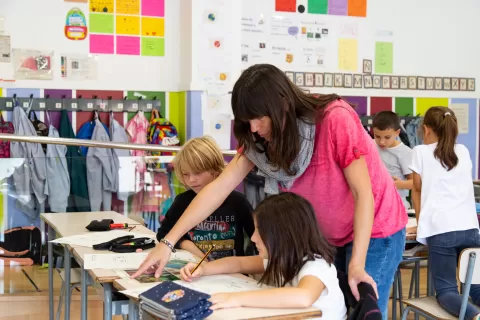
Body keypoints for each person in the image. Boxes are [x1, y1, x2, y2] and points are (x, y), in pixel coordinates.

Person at [133, 64, 407, 319]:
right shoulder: (260, 139)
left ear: (282, 105)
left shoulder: (335, 119)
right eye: (246, 120)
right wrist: (167, 243)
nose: (253, 128)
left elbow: (363, 194)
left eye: (258, 118)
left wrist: (357, 264)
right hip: (327, 236)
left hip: (376, 229)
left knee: (363, 303)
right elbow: (217, 189)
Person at [180, 193, 347, 319]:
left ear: (281, 235)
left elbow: (303, 297)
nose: (253, 239)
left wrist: (235, 299)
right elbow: (239, 264)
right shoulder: (283, 258)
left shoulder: (316, 265)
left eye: (259, 232)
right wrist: (203, 268)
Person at [410, 107, 480, 320]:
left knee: (447, 291)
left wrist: (421, 224)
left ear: (425, 129)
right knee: (475, 287)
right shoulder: (463, 151)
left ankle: (474, 316)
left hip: (441, 229)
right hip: (470, 228)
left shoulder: (420, 152)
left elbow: (417, 189)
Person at [157, 136, 255, 260]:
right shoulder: (182, 201)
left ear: (215, 169)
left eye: (198, 172)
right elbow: (163, 233)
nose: (191, 180)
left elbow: (256, 238)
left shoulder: (239, 202)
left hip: (233, 274)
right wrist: (187, 245)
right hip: (195, 270)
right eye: (186, 174)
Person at [372, 111, 413, 209]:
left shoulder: (405, 152)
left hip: (396, 204)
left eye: (387, 137)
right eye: (377, 136)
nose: (382, 142)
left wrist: (401, 184)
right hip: (374, 203)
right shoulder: (370, 145)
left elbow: (415, 182)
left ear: (397, 133)